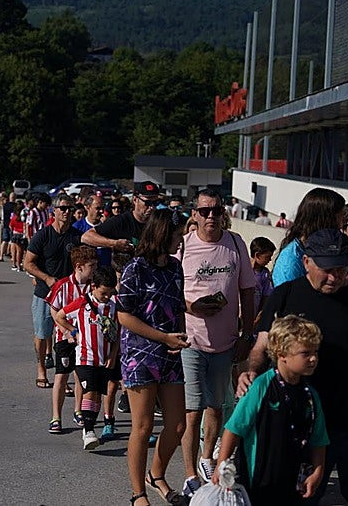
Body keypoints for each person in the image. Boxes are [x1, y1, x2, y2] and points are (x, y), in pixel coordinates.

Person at [238, 229, 348, 506]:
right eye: (327, 269)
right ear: (307, 262)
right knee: (300, 499)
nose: (334, 277)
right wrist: (251, 372)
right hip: (302, 424)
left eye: (341, 269)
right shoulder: (286, 295)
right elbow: (261, 347)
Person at [176, 188, 255, 498]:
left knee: (216, 406)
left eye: (216, 211)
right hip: (191, 340)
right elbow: (171, 291)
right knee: (192, 410)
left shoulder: (235, 244)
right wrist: (191, 307)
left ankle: (207, 457)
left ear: (225, 213)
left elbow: (248, 291)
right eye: (204, 211)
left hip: (226, 341)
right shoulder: (183, 247)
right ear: (194, 214)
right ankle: (190, 474)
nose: (211, 216)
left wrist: (247, 335)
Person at [116, 208, 190, 506]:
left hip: (171, 354)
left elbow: (178, 306)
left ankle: (156, 474)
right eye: (177, 233)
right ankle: (138, 493)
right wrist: (162, 337)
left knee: (177, 425)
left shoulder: (174, 266)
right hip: (140, 355)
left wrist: (180, 335)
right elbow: (123, 315)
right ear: (162, 234)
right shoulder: (136, 268)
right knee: (143, 426)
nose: (181, 239)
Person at [214, 315, 328, 505]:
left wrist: (318, 471)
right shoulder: (261, 387)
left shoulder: (310, 395)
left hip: (292, 483)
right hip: (257, 482)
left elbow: (319, 439)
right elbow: (234, 429)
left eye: (315, 352)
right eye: (305, 353)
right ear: (282, 354)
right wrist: (221, 465)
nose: (313, 358)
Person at [53, 266, 120, 451]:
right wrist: (73, 331)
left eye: (110, 293)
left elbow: (117, 333)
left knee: (97, 394)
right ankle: (89, 431)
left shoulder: (115, 305)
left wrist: (113, 356)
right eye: (103, 293)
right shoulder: (82, 303)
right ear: (93, 287)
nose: (107, 296)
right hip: (84, 357)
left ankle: (88, 427)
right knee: (90, 391)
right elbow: (60, 315)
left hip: (104, 358)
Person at [24, 194, 83, 390]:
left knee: (66, 336)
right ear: (54, 211)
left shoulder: (75, 236)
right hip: (45, 294)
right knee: (43, 333)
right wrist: (47, 278)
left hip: (68, 296)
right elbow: (28, 263)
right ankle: (41, 369)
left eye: (70, 209)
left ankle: (62, 376)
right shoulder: (43, 235)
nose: (67, 213)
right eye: (63, 209)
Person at [45, 245, 97, 434]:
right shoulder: (63, 285)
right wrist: (66, 331)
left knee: (80, 375)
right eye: (91, 265)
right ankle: (56, 417)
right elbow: (54, 309)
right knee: (61, 375)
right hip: (65, 338)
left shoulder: (94, 286)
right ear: (79, 266)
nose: (94, 269)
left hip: (86, 339)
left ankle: (78, 411)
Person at [272, 188, 345, 287]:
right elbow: (291, 300)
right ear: (324, 220)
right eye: (340, 218)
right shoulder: (291, 261)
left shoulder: (319, 249)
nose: (342, 225)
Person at [250, 237, 276, 318]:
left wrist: (257, 319)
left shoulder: (265, 274)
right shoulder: (242, 270)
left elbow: (265, 298)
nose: (270, 260)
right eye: (267, 257)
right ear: (257, 255)